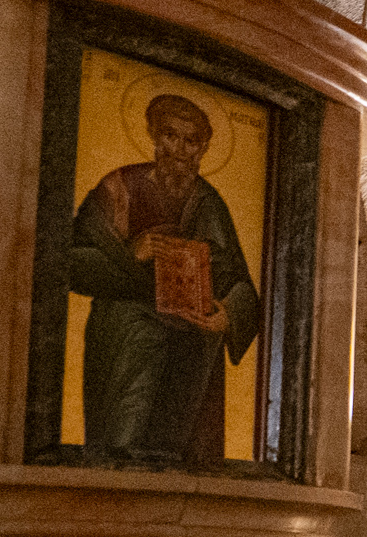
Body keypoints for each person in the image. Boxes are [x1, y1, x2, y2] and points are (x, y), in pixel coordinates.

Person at [66, 91, 261, 465]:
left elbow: (239, 282)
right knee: (122, 449)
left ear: (202, 150)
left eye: (191, 142)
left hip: (190, 348)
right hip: (128, 339)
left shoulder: (209, 202)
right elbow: (68, 261)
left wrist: (228, 315)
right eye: (171, 136)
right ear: (155, 137)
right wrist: (130, 255)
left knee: (176, 457)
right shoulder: (118, 189)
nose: (179, 150)